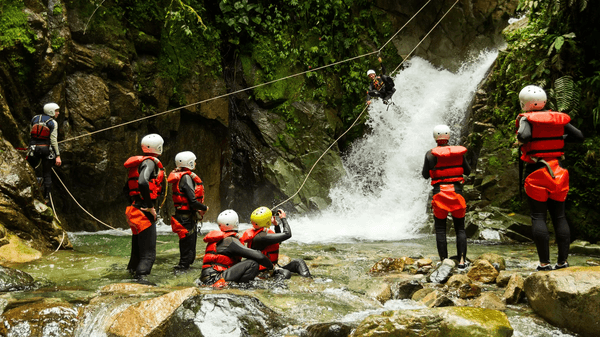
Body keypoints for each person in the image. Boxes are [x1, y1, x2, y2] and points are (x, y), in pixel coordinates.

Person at [516, 85, 583, 271]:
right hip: (559, 172)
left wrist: (521, 140)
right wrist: (559, 137)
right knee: (559, 216)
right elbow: (578, 136)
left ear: (524, 103)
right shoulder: (557, 118)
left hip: (537, 173)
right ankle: (562, 262)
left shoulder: (526, 118)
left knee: (538, 216)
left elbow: (524, 135)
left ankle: (544, 263)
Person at [422, 125, 471, 269]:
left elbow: (425, 175)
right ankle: (462, 261)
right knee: (460, 229)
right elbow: (467, 171)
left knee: (441, 229)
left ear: (435, 138)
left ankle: (444, 261)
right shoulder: (458, 154)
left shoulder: (430, 154)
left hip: (440, 194)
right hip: (456, 192)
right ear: (448, 136)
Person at [123, 133, 165, 279]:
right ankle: (141, 279)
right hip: (144, 211)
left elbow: (126, 189)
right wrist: (149, 206)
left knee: (137, 251)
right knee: (148, 255)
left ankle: (130, 275)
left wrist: (136, 203)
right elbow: (142, 182)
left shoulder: (136, 164)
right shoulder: (150, 162)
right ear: (158, 147)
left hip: (134, 209)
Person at [200, 209, 273, 287]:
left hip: (206, 278)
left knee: (248, 262)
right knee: (252, 264)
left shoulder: (219, 239)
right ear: (236, 223)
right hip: (215, 279)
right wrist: (271, 267)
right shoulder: (230, 241)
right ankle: (241, 289)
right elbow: (259, 256)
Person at [240, 206, 311, 280]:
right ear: (267, 222)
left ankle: (308, 281)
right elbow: (287, 234)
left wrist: (276, 225)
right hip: (264, 271)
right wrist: (283, 219)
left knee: (299, 262)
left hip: (272, 267)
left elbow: (278, 241)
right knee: (286, 273)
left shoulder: (261, 233)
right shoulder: (261, 236)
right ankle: (276, 286)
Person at [167, 151, 209, 270]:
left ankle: (184, 269)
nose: (195, 163)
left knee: (188, 249)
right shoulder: (186, 178)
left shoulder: (181, 176)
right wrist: (204, 208)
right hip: (185, 218)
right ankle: (181, 271)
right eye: (194, 161)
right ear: (189, 162)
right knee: (187, 251)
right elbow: (192, 201)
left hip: (184, 216)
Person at [27, 103, 62, 203]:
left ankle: (33, 190)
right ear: (51, 111)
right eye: (56, 111)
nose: (58, 113)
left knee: (32, 169)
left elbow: (31, 133)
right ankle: (46, 197)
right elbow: (53, 140)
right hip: (47, 150)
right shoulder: (53, 123)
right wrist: (58, 156)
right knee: (47, 173)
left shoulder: (35, 118)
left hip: (33, 149)